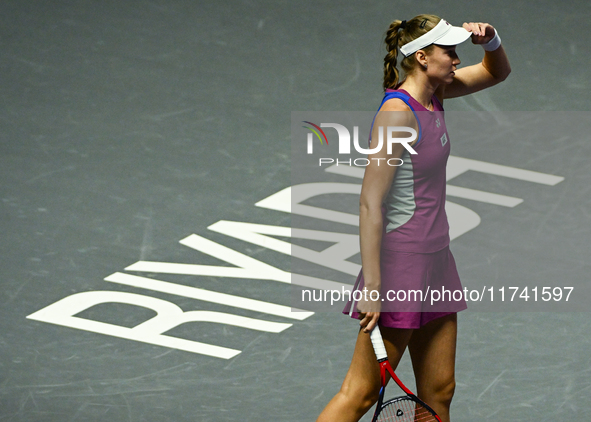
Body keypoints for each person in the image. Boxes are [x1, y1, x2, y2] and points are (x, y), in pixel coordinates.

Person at [316, 14, 511, 422]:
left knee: (440, 391)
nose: (456, 59)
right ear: (422, 57)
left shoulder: (436, 93)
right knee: (362, 393)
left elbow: (497, 72)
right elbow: (371, 203)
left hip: (437, 259)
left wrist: (490, 39)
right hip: (402, 265)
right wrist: (373, 286)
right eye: (449, 51)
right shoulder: (397, 114)